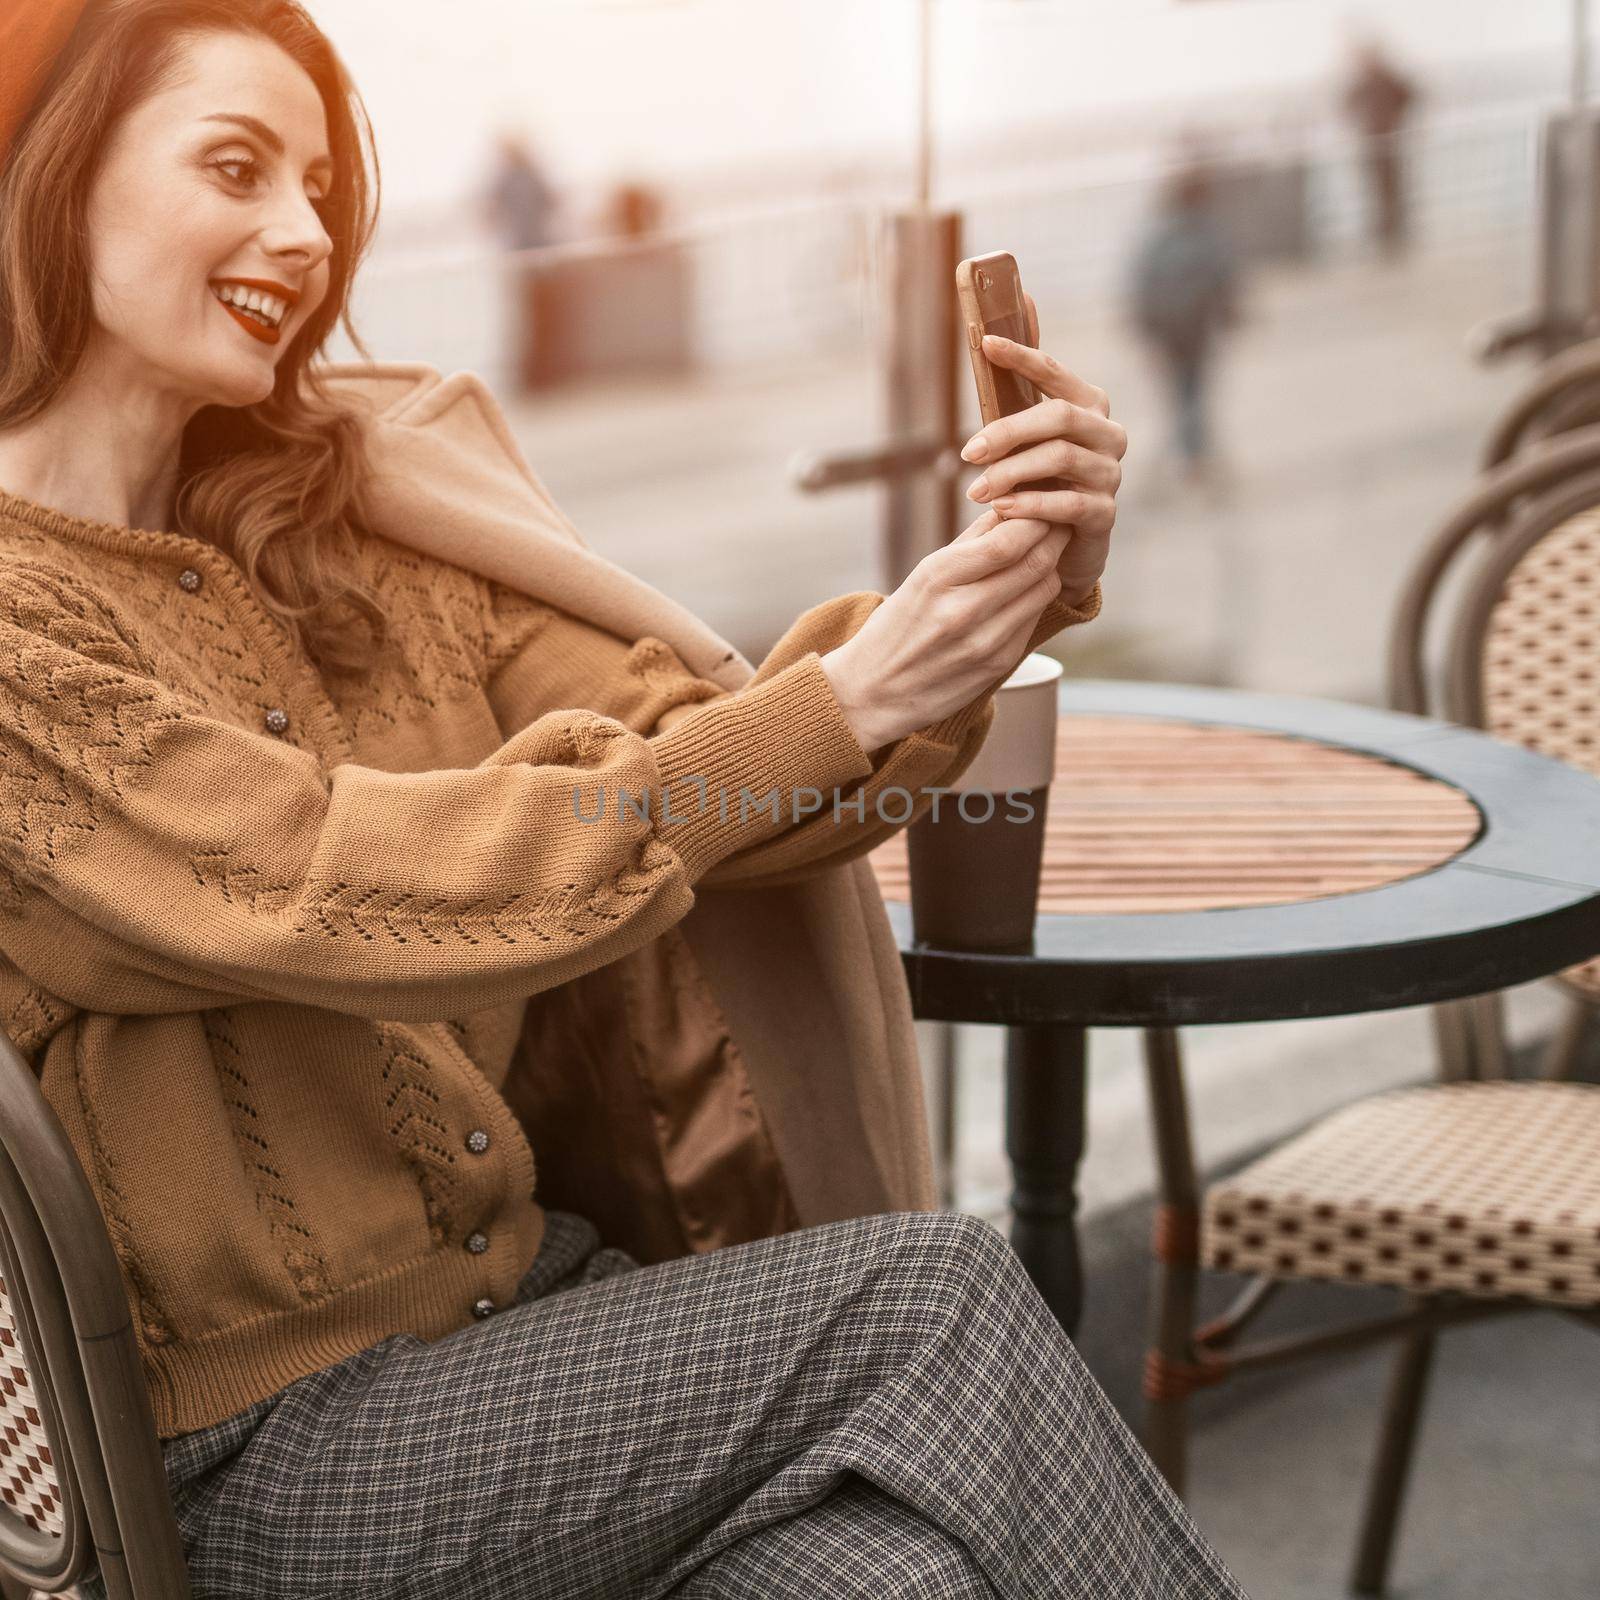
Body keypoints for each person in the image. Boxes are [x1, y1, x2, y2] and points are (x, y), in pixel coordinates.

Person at [0, 3, 1246, 1598]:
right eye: (235, 168)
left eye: (320, 186)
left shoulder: (350, 526)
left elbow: (707, 768)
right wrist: (857, 692)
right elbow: (326, 878)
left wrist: (965, 618)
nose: (302, 233)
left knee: (891, 1579)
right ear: (52, 176)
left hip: (538, 1336)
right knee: (928, 1303)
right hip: (264, 1462)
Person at [1128, 160, 1241, 485]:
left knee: (1183, 390)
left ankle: (1190, 453)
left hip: (1170, 327)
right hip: (1191, 327)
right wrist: (1230, 311)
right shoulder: (1205, 232)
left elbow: (1142, 283)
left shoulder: (1158, 233)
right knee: (1191, 390)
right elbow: (1222, 276)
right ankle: (1193, 456)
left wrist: (1145, 324)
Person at [482, 128, 558, 391]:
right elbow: (552, 203)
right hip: (537, 254)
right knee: (537, 317)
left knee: (534, 317)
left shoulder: (510, 178)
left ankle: (535, 376)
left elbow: (487, 212)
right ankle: (538, 375)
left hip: (528, 255)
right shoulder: (529, 174)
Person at [1342, 37, 1419, 259]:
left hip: (1391, 144)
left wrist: (1397, 119)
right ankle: (1385, 238)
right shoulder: (1365, 82)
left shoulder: (1388, 78)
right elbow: (1346, 103)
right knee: (1377, 193)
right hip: (1373, 145)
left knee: (1393, 192)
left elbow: (1410, 95)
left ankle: (1395, 237)